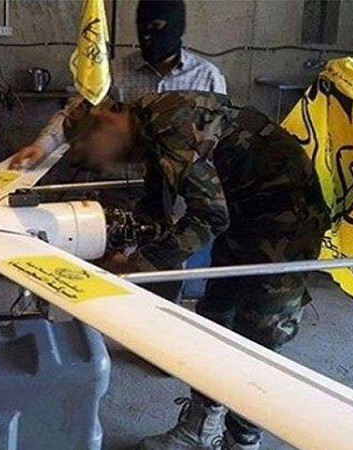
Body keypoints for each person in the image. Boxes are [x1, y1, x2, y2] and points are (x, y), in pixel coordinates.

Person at [54, 91, 330, 450]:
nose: (101, 164)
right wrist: (117, 247)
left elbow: (210, 216)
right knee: (215, 320)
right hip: (245, 212)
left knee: (259, 335)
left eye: (94, 152)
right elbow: (156, 208)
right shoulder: (147, 126)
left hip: (288, 219)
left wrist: (137, 267)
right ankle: (202, 426)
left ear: (105, 123)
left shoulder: (170, 124)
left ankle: (242, 441)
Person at [12, 0, 226, 300]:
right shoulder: (116, 71)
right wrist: (42, 145)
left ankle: (154, 322)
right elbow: (77, 111)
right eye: (142, 28)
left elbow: (216, 141)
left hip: (179, 194)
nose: (148, 36)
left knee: (162, 274)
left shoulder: (207, 78)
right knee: (106, 273)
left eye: (157, 28)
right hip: (122, 189)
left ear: (177, 27)